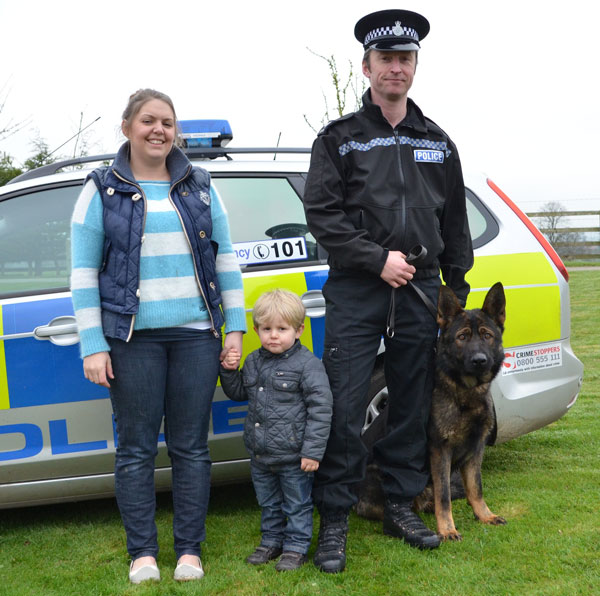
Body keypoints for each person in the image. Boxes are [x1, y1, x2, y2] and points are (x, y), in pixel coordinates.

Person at [302, 9, 474, 573]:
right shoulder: (339, 140)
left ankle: (400, 504)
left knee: (409, 401)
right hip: (358, 288)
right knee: (344, 403)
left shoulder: (437, 142)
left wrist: (457, 285)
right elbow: (323, 216)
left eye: (405, 59)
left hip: (422, 291)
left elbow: (454, 226)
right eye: (385, 60)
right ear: (366, 66)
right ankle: (333, 519)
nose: (395, 69)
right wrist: (378, 260)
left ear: (415, 66)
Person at [70, 89, 246, 584]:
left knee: (191, 447)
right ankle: (142, 554)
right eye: (148, 120)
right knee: (136, 450)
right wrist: (93, 343)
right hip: (131, 340)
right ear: (126, 127)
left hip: (196, 336)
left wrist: (234, 328)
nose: (159, 130)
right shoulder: (101, 188)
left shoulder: (200, 186)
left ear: (177, 132)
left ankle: (190, 551)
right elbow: (83, 273)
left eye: (168, 122)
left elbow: (226, 259)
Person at [220, 289, 332, 571]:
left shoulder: (308, 365)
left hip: (295, 456)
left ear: (298, 330)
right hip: (260, 454)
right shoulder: (254, 361)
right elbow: (237, 393)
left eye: (282, 329)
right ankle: (271, 541)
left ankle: (295, 548)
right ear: (256, 330)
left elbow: (320, 410)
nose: (273, 335)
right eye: (266, 329)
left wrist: (312, 452)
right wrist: (229, 370)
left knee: (297, 503)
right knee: (268, 502)